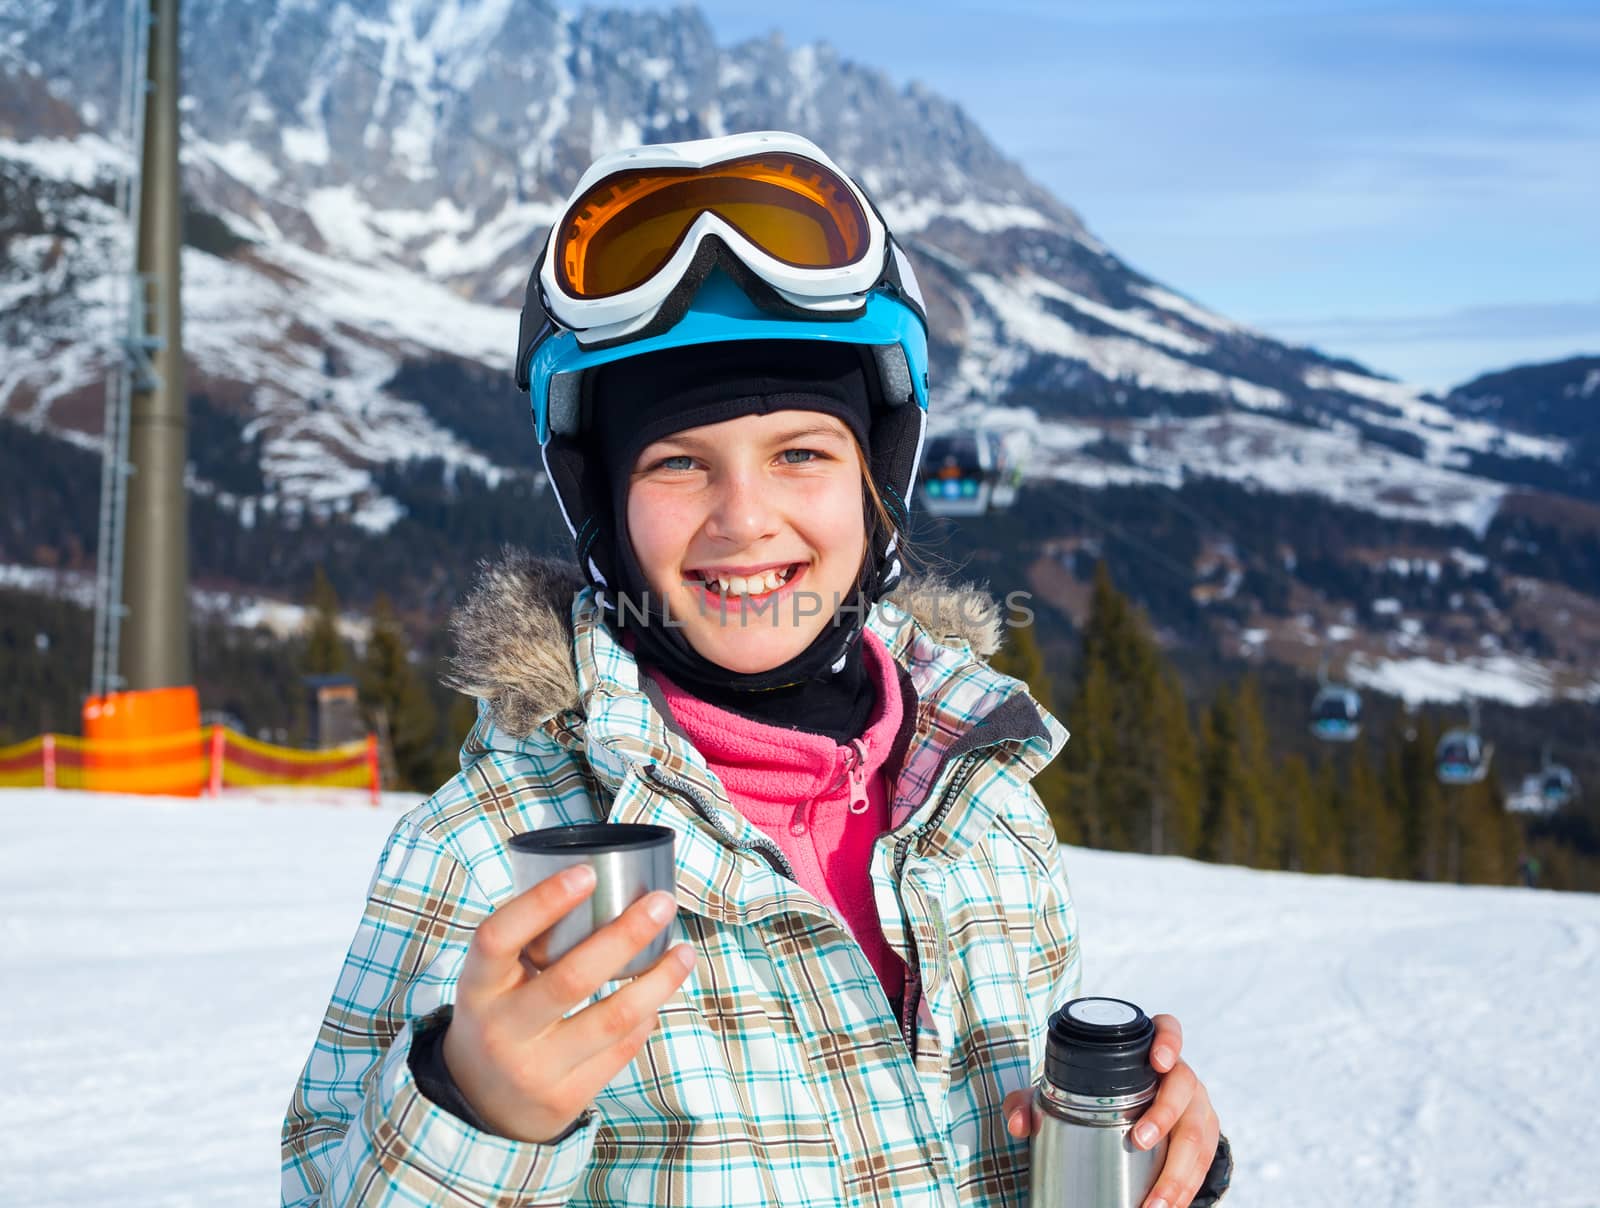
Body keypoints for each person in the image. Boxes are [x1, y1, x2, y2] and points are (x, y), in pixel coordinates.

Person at [282, 131, 1228, 1206]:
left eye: (801, 453)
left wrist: (1138, 1153)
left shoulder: (980, 803)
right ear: (607, 513)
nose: (744, 517)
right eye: (678, 461)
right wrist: (478, 1111)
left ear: (877, 482)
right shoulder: (489, 852)